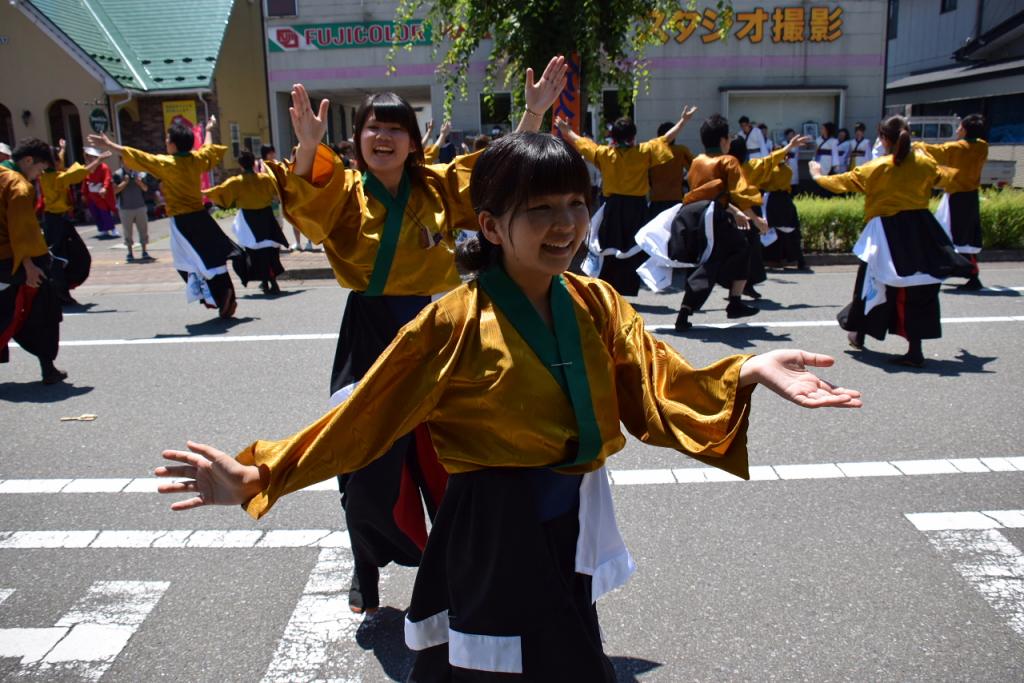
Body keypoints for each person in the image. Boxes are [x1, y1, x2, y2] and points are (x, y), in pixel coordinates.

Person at [156, 132, 862, 681]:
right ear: (491, 225)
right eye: (541, 210)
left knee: (556, 655)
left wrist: (745, 370)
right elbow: (363, 417)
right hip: (491, 525)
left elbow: (657, 384)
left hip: (571, 518)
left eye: (576, 205)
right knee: (507, 665)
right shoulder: (452, 321)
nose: (566, 225)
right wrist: (261, 475)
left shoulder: (597, 300)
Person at [263, 56, 570, 615]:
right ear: (357, 140)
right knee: (364, 463)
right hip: (370, 331)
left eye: (395, 127)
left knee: (451, 459)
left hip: (436, 326)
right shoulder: (344, 191)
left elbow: (496, 172)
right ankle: (366, 566)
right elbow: (305, 219)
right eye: (372, 127)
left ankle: (457, 569)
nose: (383, 136)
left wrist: (533, 112)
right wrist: (307, 148)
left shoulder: (437, 187)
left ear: (412, 141)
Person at [811, 116, 972, 367]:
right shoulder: (924, 163)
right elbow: (948, 178)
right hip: (921, 231)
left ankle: (858, 333)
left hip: (886, 233)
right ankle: (914, 349)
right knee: (920, 288)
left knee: (871, 284)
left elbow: (839, 183)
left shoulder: (877, 167)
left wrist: (817, 174)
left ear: (884, 139)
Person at [87, 116, 242, 319]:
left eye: (167, 139)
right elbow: (208, 148)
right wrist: (210, 129)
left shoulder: (168, 164)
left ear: (174, 145)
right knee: (211, 257)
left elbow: (139, 156)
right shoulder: (196, 160)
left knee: (188, 261)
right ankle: (223, 297)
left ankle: (217, 297)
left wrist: (110, 145)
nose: (165, 143)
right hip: (202, 217)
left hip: (183, 221)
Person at [635, 114, 764, 331]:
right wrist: (756, 218)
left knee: (710, 259)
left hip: (692, 213)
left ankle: (687, 311)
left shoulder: (697, 162)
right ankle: (734, 302)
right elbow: (739, 193)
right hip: (712, 214)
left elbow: (707, 194)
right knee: (736, 250)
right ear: (724, 140)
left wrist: (735, 213)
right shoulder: (728, 160)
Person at [555, 105, 696, 296]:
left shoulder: (605, 154)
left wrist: (566, 130)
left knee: (608, 249)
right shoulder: (643, 152)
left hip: (612, 207)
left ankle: (607, 290)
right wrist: (683, 121)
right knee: (633, 248)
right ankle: (627, 288)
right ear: (633, 135)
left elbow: (581, 142)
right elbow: (666, 139)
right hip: (636, 208)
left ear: (613, 136)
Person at [0, 139, 66, 384]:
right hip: (15, 262)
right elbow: (21, 231)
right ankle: (48, 367)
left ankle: (48, 367)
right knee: (40, 313)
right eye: (39, 169)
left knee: (12, 311)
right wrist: (28, 265)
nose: (39, 175)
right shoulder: (18, 185)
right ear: (27, 160)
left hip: (7, 260)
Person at [915, 113, 989, 291]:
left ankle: (967, 273)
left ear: (964, 130)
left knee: (949, 235)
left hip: (956, 196)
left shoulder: (956, 147)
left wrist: (915, 143)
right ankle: (960, 271)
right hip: (971, 195)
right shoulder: (982, 146)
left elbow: (933, 150)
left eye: (959, 127)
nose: (957, 130)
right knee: (965, 237)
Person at [204, 151, 289, 295]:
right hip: (266, 218)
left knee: (254, 251)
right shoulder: (265, 179)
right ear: (254, 163)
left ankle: (267, 282)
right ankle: (271, 281)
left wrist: (202, 192)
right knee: (270, 250)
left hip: (249, 220)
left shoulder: (236, 181)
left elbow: (219, 191)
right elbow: (279, 189)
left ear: (240, 164)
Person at [39, 139, 110, 304]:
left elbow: (63, 165)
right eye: (58, 159)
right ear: (52, 162)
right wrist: (98, 161)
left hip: (59, 220)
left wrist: (62, 149)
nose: (60, 161)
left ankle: (60, 291)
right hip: (54, 221)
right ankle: (59, 293)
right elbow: (79, 174)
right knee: (58, 258)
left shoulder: (51, 174)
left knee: (74, 255)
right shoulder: (54, 178)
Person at [761, 135, 812, 269]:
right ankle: (798, 260)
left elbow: (764, 183)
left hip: (772, 200)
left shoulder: (771, 170)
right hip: (785, 200)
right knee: (792, 230)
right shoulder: (788, 170)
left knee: (770, 229)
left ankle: (773, 259)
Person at [648, 120, 695, 216]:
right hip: (675, 198)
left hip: (656, 198)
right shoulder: (681, 151)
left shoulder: (652, 152)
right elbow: (694, 168)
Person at [113, 165, 152, 262]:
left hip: (140, 206)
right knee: (127, 232)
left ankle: (144, 251)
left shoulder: (140, 173)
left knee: (143, 230)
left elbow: (146, 189)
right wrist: (125, 182)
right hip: (125, 208)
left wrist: (138, 182)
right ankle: (130, 252)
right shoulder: (117, 174)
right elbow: (115, 190)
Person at [81, 146, 119, 239]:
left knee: (104, 212)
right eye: (88, 156)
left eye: (91, 156)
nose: (89, 158)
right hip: (91, 194)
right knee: (95, 212)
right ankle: (102, 229)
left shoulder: (104, 167)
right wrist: (83, 193)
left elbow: (107, 178)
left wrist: (105, 188)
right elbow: (85, 181)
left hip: (101, 195)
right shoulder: (88, 168)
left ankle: (112, 228)